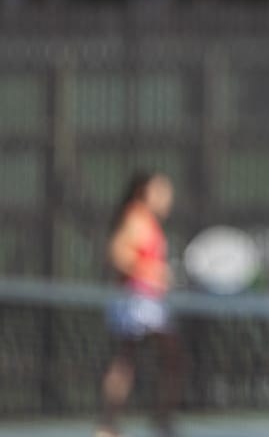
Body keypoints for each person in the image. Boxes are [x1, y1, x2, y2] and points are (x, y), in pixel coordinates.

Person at [97, 171, 183, 437]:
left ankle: (154, 420)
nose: (167, 197)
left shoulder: (147, 221)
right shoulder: (136, 219)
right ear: (144, 193)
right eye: (161, 191)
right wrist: (154, 272)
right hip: (137, 301)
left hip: (149, 301)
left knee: (153, 359)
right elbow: (117, 254)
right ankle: (113, 424)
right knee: (131, 360)